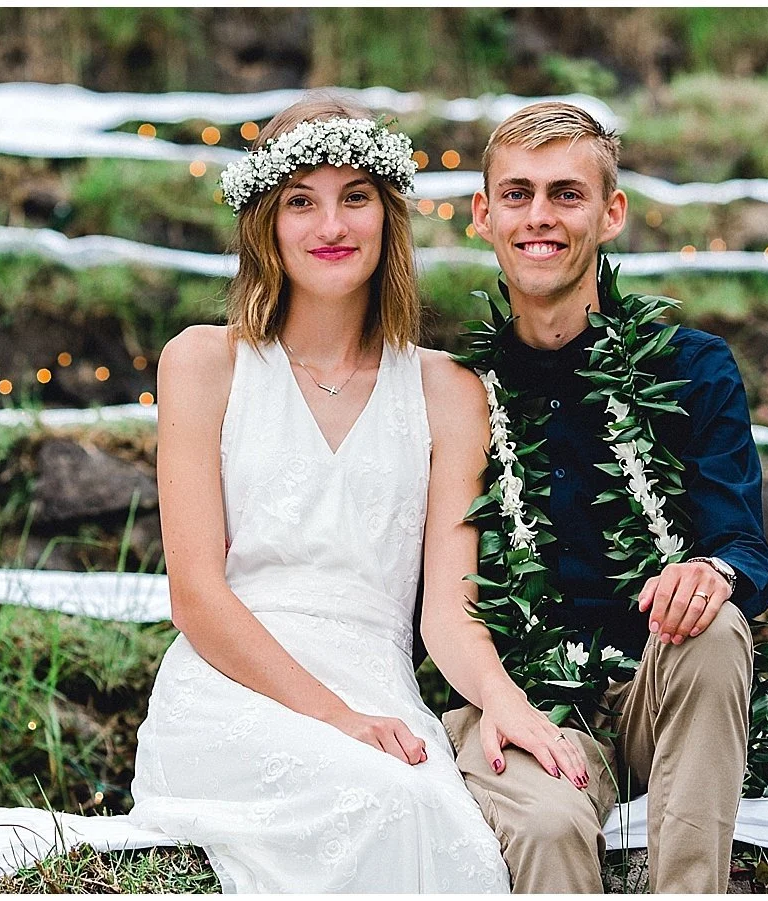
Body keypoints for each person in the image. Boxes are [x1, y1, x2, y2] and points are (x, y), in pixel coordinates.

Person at [126, 95, 514, 893]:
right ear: (266, 221)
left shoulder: (449, 390)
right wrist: (334, 716)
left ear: (387, 214)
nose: (331, 225)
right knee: (380, 803)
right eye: (301, 201)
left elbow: (448, 611)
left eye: (355, 197)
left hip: (381, 687)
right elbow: (195, 594)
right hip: (231, 688)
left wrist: (505, 700)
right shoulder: (203, 363)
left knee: (429, 814)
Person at [435, 102, 768, 893]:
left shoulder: (692, 367)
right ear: (483, 216)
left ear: (611, 212)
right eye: (517, 194)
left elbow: (746, 551)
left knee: (716, 621)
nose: (539, 216)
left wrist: (711, 573)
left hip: (662, 691)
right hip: (527, 701)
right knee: (548, 826)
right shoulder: (459, 390)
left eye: (566, 193)